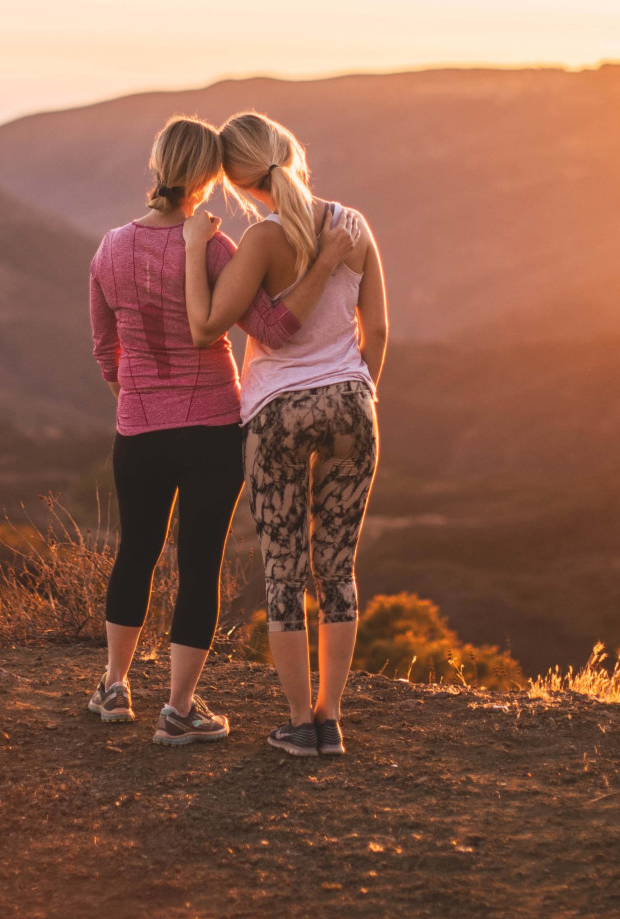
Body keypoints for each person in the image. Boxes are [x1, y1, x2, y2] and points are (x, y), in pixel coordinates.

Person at [87, 116, 358, 745]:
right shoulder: (215, 250)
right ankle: (180, 709)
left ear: (156, 167)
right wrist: (322, 267)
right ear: (209, 178)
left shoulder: (109, 249)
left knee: (136, 552)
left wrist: (135, 397)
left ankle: (114, 687)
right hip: (212, 428)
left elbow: (106, 347)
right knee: (199, 563)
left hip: (140, 428)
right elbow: (274, 329)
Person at [181, 111, 387, 758]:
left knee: (285, 570)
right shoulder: (353, 227)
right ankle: (332, 718)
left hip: (277, 415)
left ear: (239, 184)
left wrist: (194, 250)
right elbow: (377, 331)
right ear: (292, 151)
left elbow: (217, 322)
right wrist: (358, 391)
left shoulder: (263, 242)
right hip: (353, 404)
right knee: (338, 568)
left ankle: (301, 722)